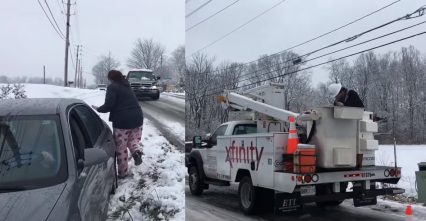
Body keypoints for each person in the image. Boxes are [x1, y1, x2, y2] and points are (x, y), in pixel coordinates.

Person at [93, 70, 144, 179]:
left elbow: (109, 105)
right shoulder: (127, 85)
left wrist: (98, 109)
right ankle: (136, 152)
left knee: (121, 148)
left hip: (122, 121)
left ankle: (122, 173)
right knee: (133, 140)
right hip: (138, 118)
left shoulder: (113, 87)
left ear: (111, 78)